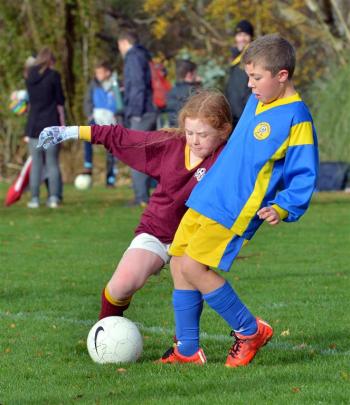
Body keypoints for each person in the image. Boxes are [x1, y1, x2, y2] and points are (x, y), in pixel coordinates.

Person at [157, 34, 319, 367]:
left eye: (256, 77)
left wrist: (285, 205)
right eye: (249, 76)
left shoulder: (296, 116)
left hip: (236, 207)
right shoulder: (257, 102)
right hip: (208, 195)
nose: (250, 84)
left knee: (193, 266)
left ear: (282, 75)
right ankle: (187, 350)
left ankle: (249, 329)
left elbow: (304, 172)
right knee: (178, 263)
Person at [36, 90, 233, 320]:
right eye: (189, 132)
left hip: (193, 239)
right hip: (158, 230)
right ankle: (106, 332)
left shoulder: (229, 157)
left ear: (224, 131)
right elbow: (121, 137)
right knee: (121, 285)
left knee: (188, 281)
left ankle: (186, 347)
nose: (195, 140)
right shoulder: (170, 144)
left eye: (202, 134)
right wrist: (70, 131)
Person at [117, 30, 157, 206]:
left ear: (124, 42)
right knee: (149, 154)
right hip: (150, 109)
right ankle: (146, 194)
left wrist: (134, 112)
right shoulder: (144, 55)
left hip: (140, 112)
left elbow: (138, 86)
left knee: (137, 154)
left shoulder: (132, 57)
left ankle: (141, 196)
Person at [25, 47, 65, 208]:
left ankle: (34, 198)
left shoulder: (29, 77)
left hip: (33, 124)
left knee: (36, 164)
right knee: (51, 162)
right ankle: (53, 197)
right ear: (50, 61)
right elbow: (60, 99)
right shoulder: (54, 76)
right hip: (50, 123)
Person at [83, 61, 121, 187]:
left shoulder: (116, 85)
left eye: (100, 72)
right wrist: (90, 115)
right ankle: (88, 165)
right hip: (96, 117)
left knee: (111, 148)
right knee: (86, 135)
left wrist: (118, 118)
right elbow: (87, 101)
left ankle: (110, 179)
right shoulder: (93, 85)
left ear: (108, 72)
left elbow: (120, 104)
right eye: (96, 72)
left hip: (111, 120)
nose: (97, 75)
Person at [225, 19, 254, 129]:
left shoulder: (252, 57)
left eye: (245, 35)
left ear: (251, 37)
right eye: (239, 35)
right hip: (234, 117)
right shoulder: (235, 59)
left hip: (245, 117)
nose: (242, 39)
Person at [167, 59, 201, 127]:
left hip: (174, 128)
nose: (197, 75)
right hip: (187, 131)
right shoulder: (193, 92)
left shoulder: (172, 91)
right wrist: (198, 85)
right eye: (195, 73)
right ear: (189, 74)